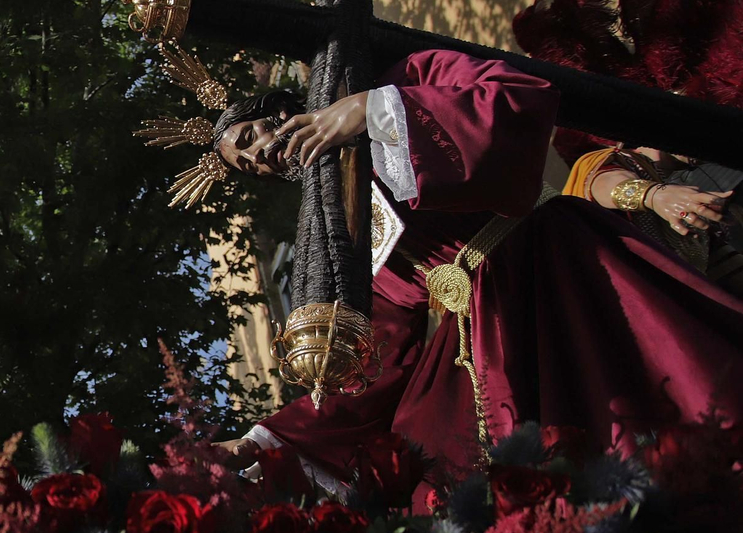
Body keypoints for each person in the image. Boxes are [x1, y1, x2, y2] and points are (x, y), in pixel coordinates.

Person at [211, 49, 743, 484]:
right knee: (445, 455)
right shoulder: (340, 221)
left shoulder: (406, 77)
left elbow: (516, 97)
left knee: (675, 387)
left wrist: (372, 110)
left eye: (249, 138)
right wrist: (268, 439)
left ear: (275, 109)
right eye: (247, 166)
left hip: (550, 257)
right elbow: (382, 343)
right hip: (483, 331)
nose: (258, 157)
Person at [562, 145, 742, 297]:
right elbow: (605, 183)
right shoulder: (614, 160)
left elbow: (726, 268)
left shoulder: (687, 197)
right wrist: (652, 195)